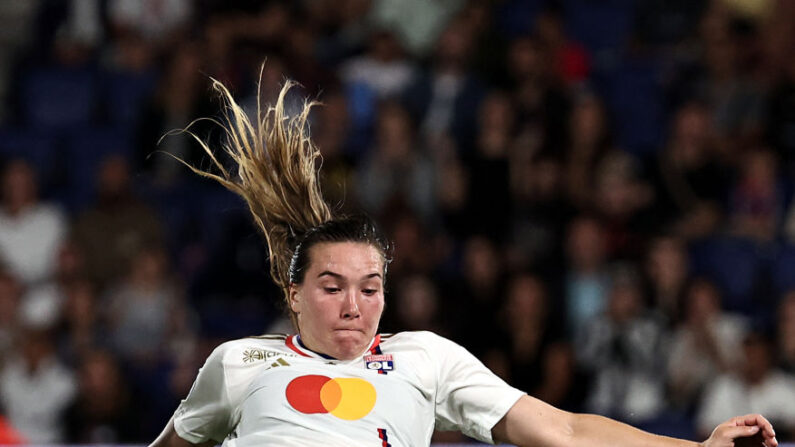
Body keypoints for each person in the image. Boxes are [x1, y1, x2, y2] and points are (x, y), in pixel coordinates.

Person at [150, 78, 778, 447]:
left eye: (370, 288)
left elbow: (569, 433)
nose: (352, 306)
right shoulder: (238, 362)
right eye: (331, 286)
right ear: (293, 294)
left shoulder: (427, 357)